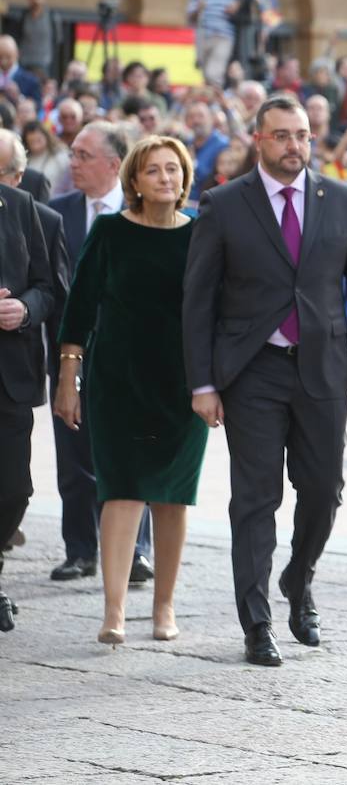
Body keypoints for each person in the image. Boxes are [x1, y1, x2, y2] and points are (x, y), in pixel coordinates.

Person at [181, 94, 347, 664]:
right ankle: (256, 622)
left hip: (324, 368)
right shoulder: (224, 204)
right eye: (282, 135)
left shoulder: (340, 198)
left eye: (303, 135)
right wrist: (203, 382)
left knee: (323, 492)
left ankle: (298, 577)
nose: (294, 146)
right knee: (255, 499)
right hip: (252, 369)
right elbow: (198, 299)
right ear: (259, 140)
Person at [53, 135, 205, 644]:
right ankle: (113, 611)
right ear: (134, 181)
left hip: (182, 386)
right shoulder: (111, 230)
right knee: (120, 493)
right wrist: (68, 378)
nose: (166, 178)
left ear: (184, 177)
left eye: (173, 169)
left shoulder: (200, 234)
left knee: (172, 500)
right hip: (117, 382)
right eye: (154, 170)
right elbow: (79, 306)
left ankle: (164, 608)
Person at [48, 122, 155, 582]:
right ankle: (80, 549)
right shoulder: (57, 213)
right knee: (73, 455)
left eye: (82, 155)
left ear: (114, 164)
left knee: (133, 451)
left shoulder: (143, 211)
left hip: (130, 355)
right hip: (72, 351)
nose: (72, 162)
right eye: (71, 154)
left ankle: (137, 550)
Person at [0, 172, 55, 632]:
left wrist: (25, 309)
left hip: (9, 377)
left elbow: (47, 286)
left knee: (15, 489)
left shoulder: (20, 206)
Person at [187, 0, 240, 88]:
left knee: (213, 73)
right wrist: (198, 9)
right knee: (205, 73)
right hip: (204, 36)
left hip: (223, 36)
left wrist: (238, 5)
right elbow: (190, 17)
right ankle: (210, 98)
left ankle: (216, 99)